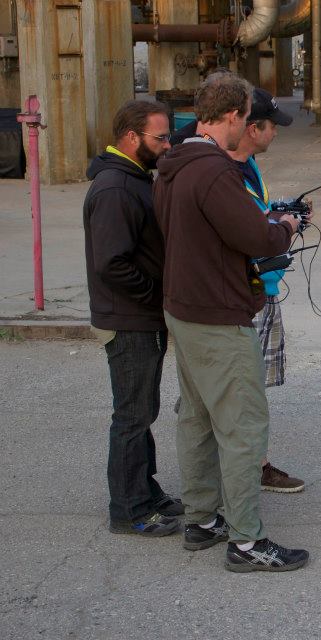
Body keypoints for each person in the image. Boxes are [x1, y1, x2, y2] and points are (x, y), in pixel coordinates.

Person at [154, 71, 309, 572]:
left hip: (183, 307)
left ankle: (202, 519)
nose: (250, 124)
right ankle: (246, 542)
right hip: (218, 314)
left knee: (197, 418)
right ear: (233, 116)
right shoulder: (214, 171)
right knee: (243, 426)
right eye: (247, 115)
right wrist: (285, 225)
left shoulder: (173, 164)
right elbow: (256, 238)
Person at [83, 99, 183, 537]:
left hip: (139, 317)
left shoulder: (134, 178)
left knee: (143, 410)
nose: (167, 145)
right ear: (130, 137)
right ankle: (129, 510)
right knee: (132, 415)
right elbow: (112, 264)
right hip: (129, 320)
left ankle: (146, 491)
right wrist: (153, 299)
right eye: (160, 138)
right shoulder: (115, 189)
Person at [225, 87, 306, 494]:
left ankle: (254, 463)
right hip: (242, 297)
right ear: (251, 128)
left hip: (264, 288)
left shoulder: (249, 165)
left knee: (254, 388)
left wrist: (281, 216)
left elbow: (255, 219)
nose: (276, 133)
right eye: (273, 126)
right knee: (237, 389)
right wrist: (284, 227)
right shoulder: (221, 175)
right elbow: (245, 235)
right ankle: (238, 473)